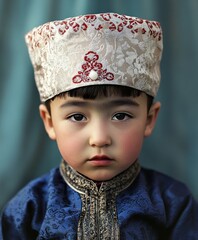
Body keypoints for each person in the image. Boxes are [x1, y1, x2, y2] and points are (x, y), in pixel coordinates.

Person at [0, 12, 198, 240]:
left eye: (121, 115)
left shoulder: (172, 202)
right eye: (77, 117)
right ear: (50, 122)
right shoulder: (29, 207)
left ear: (149, 119)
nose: (100, 138)